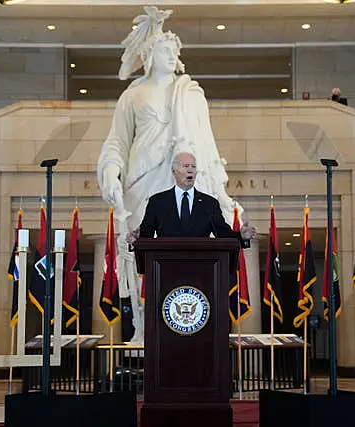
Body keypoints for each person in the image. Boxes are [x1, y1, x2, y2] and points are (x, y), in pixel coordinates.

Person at [97, 7, 243, 343]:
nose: (172, 53)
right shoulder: (132, 95)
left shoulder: (191, 93)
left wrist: (219, 190)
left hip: (185, 179)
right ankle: (143, 329)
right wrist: (110, 170)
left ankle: (189, 322)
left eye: (175, 49)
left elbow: (207, 141)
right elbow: (117, 141)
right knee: (142, 251)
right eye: (165, 48)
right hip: (143, 179)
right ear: (149, 55)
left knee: (189, 249)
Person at [127, 152, 256, 244]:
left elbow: (222, 233)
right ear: (174, 171)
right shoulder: (158, 202)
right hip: (166, 266)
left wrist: (240, 236)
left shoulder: (209, 203)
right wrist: (136, 240)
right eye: (185, 166)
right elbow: (146, 236)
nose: (190, 170)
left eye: (193, 167)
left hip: (202, 267)